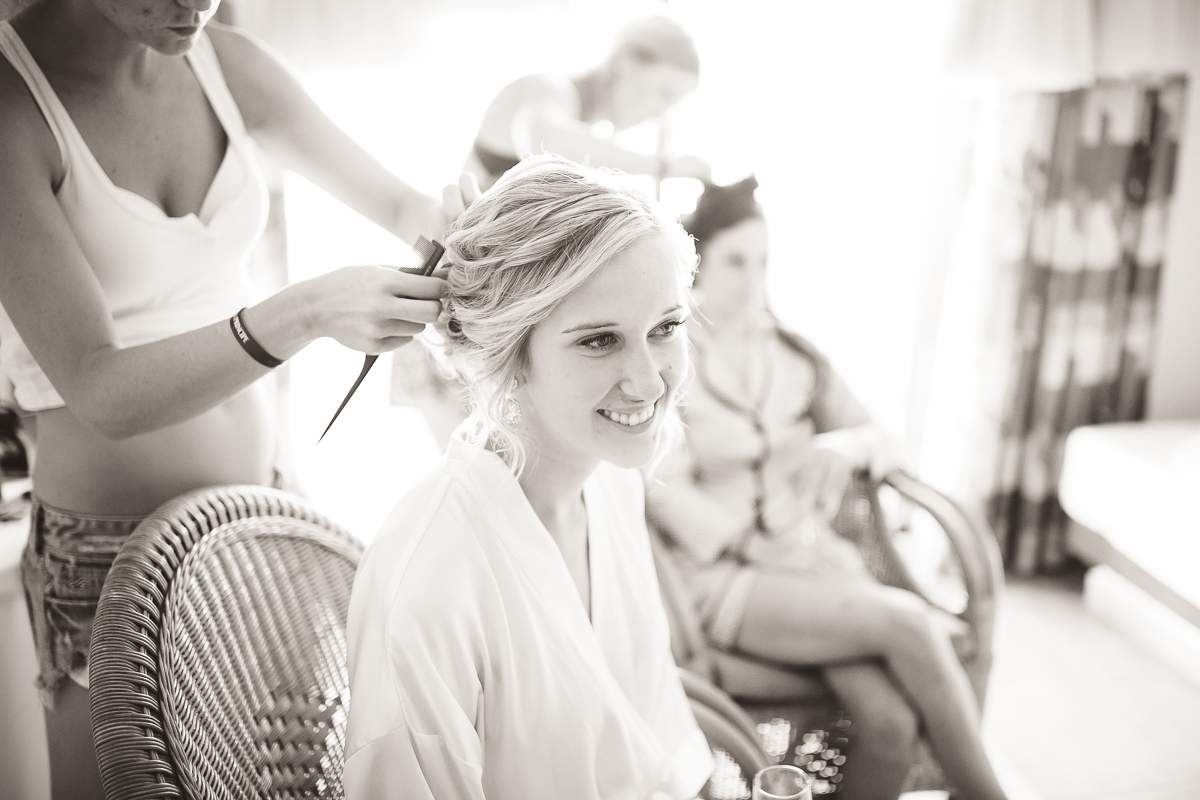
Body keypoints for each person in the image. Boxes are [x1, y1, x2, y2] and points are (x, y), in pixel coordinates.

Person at [0, 1, 476, 797]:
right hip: (108, 561)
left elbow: (402, 207)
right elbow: (98, 389)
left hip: (262, 518)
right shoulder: (13, 106)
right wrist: (305, 312)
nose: (198, 4)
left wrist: (459, 225)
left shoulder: (225, 62)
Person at [344, 156, 714, 799]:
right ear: (508, 355)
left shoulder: (609, 482)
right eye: (600, 340)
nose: (651, 382)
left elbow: (652, 733)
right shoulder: (431, 583)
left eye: (666, 327)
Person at [645, 178, 1009, 800]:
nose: (752, 277)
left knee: (889, 725)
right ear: (697, 261)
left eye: (763, 261)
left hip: (812, 565)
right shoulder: (669, 355)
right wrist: (745, 541)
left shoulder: (795, 355)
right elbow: (657, 488)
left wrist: (844, 444)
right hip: (728, 578)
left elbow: (879, 436)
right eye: (735, 260)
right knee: (910, 625)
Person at [463, 14, 711, 190]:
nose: (659, 115)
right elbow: (544, 141)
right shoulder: (549, 87)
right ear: (626, 63)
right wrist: (665, 167)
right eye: (664, 94)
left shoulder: (588, 137)